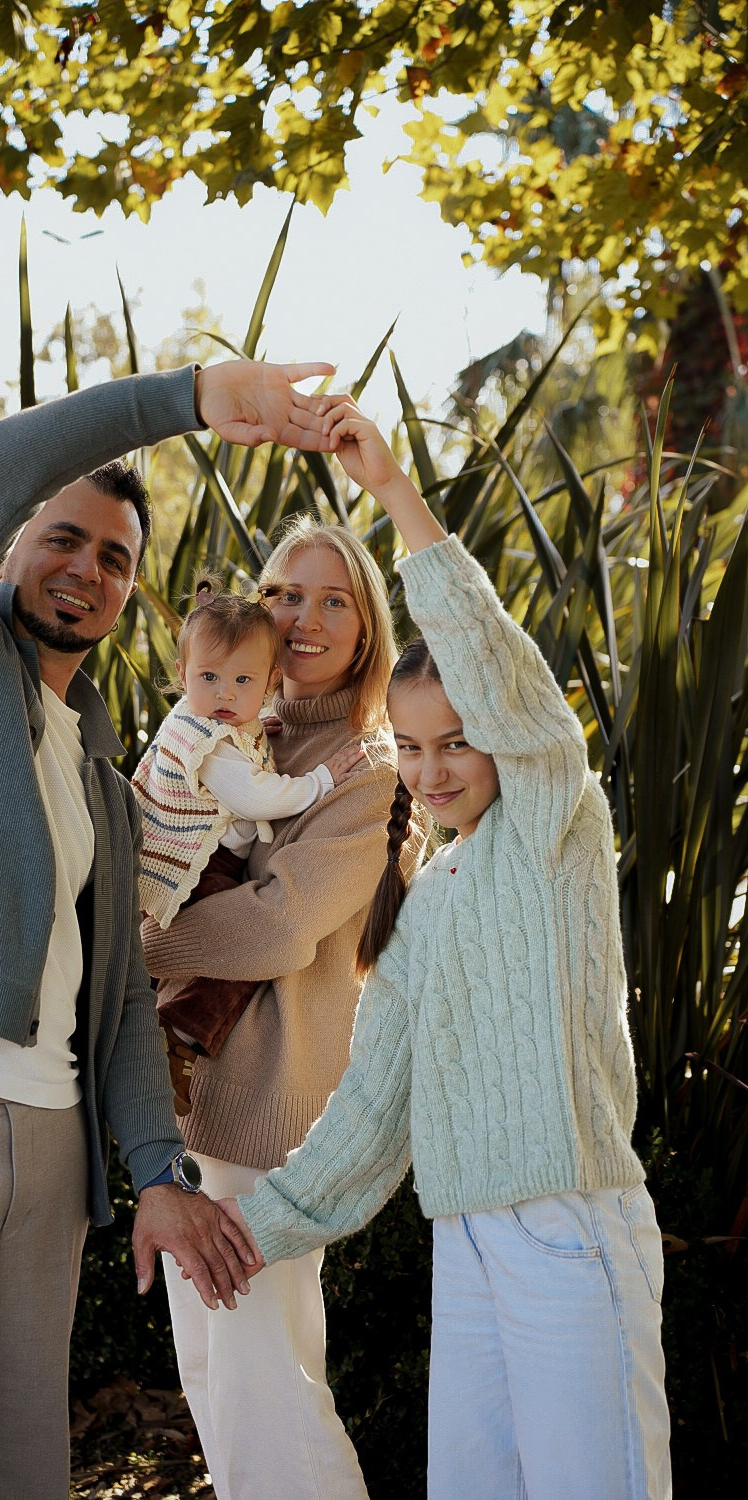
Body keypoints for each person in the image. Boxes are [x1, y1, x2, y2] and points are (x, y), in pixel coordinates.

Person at [0, 357, 335, 1500]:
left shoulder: (97, 761)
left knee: (21, 1476)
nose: (85, 567)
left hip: (47, 1153)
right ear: (12, 544)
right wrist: (185, 400)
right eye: (64, 538)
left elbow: (120, 987)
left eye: (115, 559)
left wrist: (156, 1171)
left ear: (131, 596)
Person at [222, 399, 672, 1500]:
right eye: (413, 748)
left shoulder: (553, 827)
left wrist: (393, 495)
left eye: (458, 742)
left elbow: (507, 685)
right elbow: (375, 1106)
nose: (431, 771)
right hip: (464, 1240)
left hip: (572, 1227)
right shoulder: (428, 901)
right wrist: (241, 1232)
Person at [140, 518, 403, 1500]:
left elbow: (280, 927)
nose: (305, 617)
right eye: (289, 594)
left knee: (267, 1379)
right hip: (188, 1107)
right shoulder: (230, 733)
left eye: (334, 600)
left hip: (269, 1118)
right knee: (213, 1373)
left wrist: (139, 948)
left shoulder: (365, 765)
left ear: (366, 628)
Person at [131, 582, 366, 1111]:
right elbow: (256, 797)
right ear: (183, 674)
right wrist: (321, 781)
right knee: (239, 966)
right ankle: (176, 1035)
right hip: (199, 865)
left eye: (243, 681)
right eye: (209, 678)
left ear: (269, 682)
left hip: (190, 858)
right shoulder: (211, 742)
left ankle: (159, 1032)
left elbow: (246, 735)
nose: (225, 695)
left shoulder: (226, 725)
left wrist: (260, 724)